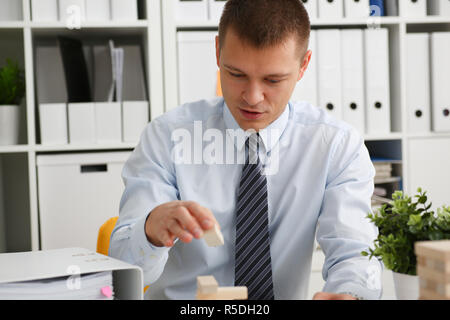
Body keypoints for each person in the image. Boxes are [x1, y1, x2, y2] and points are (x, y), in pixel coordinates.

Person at [109, 0, 383, 300]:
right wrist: (151, 231)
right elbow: (123, 270)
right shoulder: (166, 137)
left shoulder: (336, 146)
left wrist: (350, 294)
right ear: (217, 52)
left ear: (303, 65)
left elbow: (355, 253)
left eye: (272, 80)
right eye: (236, 74)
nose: (252, 97)